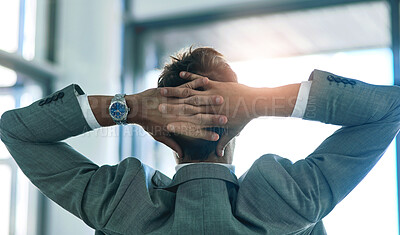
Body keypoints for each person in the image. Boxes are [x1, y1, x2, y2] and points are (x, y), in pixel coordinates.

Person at [1, 47, 400, 235]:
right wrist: (263, 100)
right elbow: (390, 108)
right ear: (239, 128)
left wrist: (129, 107)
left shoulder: (122, 205)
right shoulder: (290, 204)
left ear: (164, 136)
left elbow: (16, 129)